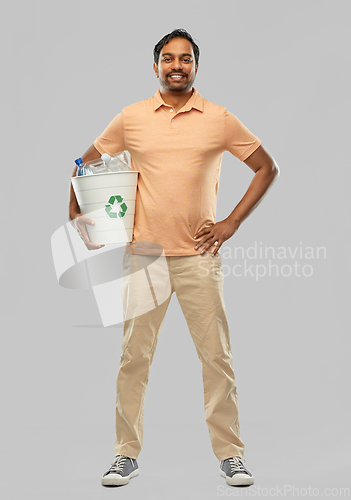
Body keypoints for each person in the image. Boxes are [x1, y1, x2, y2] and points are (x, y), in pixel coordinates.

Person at [69, 29, 279, 488]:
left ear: (196, 67)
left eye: (185, 59)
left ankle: (231, 456)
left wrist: (231, 224)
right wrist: (77, 215)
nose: (177, 66)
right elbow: (83, 165)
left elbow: (266, 167)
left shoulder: (219, 118)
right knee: (134, 359)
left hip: (199, 257)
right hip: (143, 255)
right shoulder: (132, 118)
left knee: (216, 357)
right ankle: (125, 454)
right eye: (168, 58)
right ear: (156, 66)